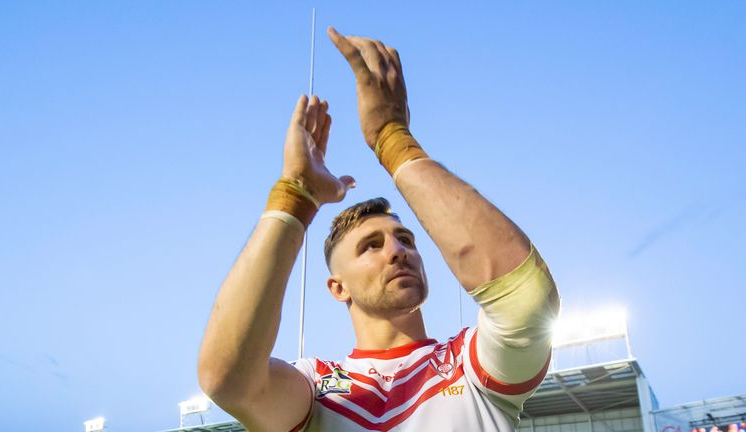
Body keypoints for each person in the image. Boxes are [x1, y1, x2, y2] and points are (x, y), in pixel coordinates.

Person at [197, 26, 560, 432]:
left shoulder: (468, 365)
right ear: (338, 288)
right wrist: (294, 197)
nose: (397, 250)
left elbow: (526, 302)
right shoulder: (319, 387)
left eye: (405, 239)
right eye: (370, 246)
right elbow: (227, 380)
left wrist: (393, 139)